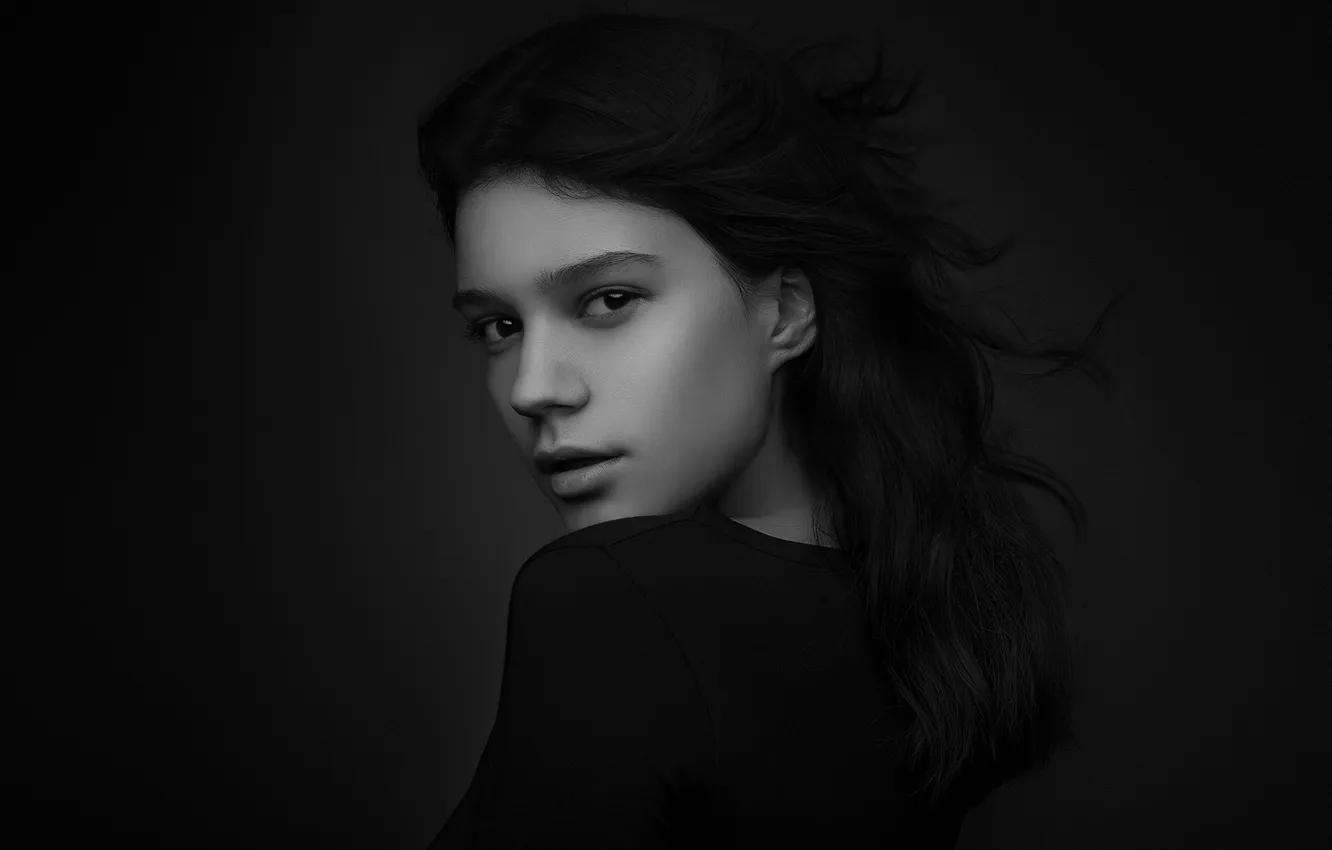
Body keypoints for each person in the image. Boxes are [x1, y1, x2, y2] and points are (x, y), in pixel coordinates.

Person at [417, 8, 1115, 848]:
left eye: (608, 300)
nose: (534, 388)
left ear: (784, 311)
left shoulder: (612, 599)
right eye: (498, 326)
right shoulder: (923, 629)